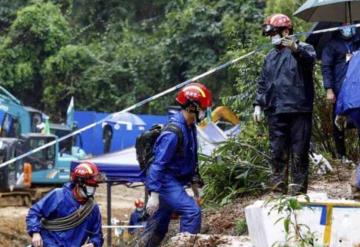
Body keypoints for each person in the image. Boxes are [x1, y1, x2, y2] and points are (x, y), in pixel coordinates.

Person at [140, 82, 212, 247]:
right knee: (192, 212)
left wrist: (196, 191)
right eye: (203, 107)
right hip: (165, 182)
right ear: (192, 107)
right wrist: (154, 195)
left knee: (158, 227)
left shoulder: (190, 126)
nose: (206, 111)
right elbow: (158, 165)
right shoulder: (173, 132)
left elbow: (190, 159)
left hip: (174, 182)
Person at [253, 13, 316, 195]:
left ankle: (297, 193)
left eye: (275, 33)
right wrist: (258, 104)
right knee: (277, 153)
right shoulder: (270, 57)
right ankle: (277, 192)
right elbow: (263, 83)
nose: (272, 37)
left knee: (299, 153)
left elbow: (309, 61)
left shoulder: (304, 48)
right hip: (276, 111)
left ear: (286, 31)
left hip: (299, 109)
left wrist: (296, 49)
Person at [26, 162, 104, 247]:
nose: (92, 190)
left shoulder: (92, 209)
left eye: (93, 187)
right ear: (79, 184)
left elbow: (97, 235)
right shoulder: (58, 196)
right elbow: (34, 212)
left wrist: (93, 244)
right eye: (89, 186)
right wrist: (35, 233)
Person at [321, 23, 360, 162]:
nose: (348, 27)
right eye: (344, 25)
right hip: (340, 89)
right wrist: (329, 89)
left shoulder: (358, 41)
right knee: (338, 121)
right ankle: (341, 155)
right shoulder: (332, 45)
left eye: (350, 24)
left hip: (357, 88)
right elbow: (326, 68)